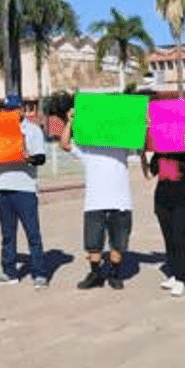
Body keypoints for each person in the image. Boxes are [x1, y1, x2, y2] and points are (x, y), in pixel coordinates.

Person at [60, 108, 137, 290]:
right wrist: (70, 121)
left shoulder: (123, 144)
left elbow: (141, 146)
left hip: (120, 202)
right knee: (93, 244)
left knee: (118, 243)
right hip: (95, 202)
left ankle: (115, 274)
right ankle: (95, 274)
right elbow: (64, 144)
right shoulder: (87, 147)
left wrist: (143, 125)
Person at [0, 94, 50, 289]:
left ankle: (40, 273)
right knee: (7, 234)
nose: (9, 113)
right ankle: (9, 272)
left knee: (32, 233)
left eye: (13, 109)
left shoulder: (32, 130)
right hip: (3, 187)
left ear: (22, 110)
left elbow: (41, 158)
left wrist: (27, 158)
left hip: (24, 188)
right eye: (6, 109)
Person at [142, 144, 185, 297]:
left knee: (179, 240)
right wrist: (142, 152)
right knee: (169, 240)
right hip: (161, 202)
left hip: (182, 204)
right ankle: (173, 275)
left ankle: (181, 279)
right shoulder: (160, 151)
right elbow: (149, 174)